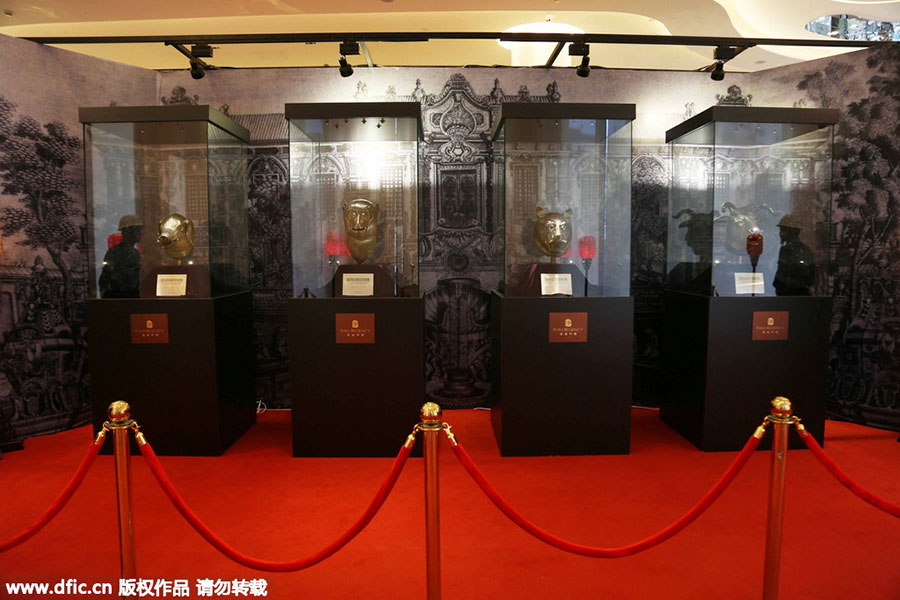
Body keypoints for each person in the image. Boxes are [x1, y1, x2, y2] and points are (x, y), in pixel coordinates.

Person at [99, 214, 143, 298]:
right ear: (128, 232)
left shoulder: (135, 253)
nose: (141, 233)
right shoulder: (114, 253)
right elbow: (110, 281)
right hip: (118, 300)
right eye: (138, 230)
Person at [772, 214, 815, 296]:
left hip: (792, 294)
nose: (781, 234)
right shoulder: (803, 249)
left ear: (792, 232)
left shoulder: (790, 250)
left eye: (783, 230)